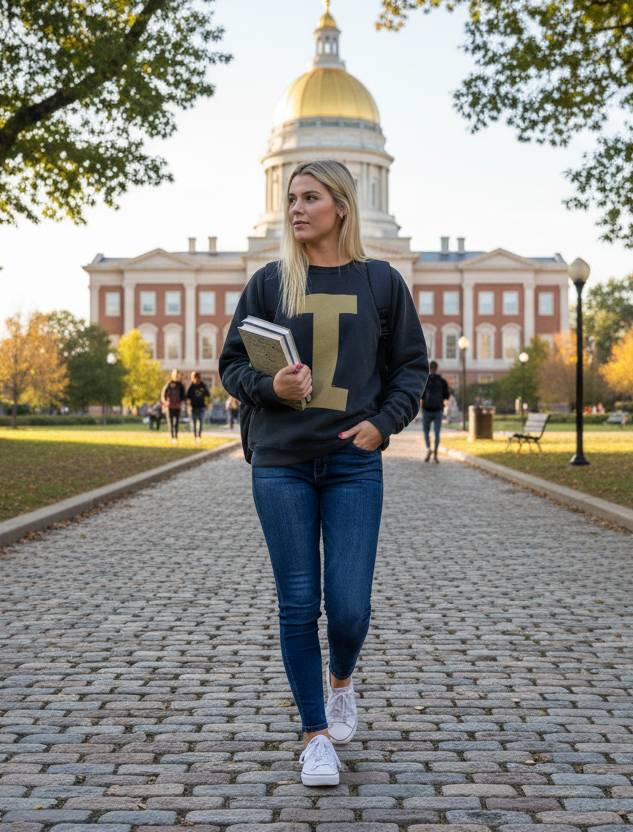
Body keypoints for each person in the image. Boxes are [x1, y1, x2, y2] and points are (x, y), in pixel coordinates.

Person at [219, 160, 428, 788]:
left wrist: (384, 424)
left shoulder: (382, 281)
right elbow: (232, 365)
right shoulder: (269, 283)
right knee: (297, 603)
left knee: (349, 608)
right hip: (281, 461)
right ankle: (315, 736)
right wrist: (270, 387)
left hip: (352, 462)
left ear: (341, 205)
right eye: (291, 198)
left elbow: (411, 367)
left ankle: (341, 680)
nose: (296, 209)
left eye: (310, 197)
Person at [421, 360, 449, 463]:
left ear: (429, 368)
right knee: (437, 432)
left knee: (426, 431)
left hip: (427, 409)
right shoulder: (442, 381)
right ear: (437, 368)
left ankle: (429, 449)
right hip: (438, 409)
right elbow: (446, 396)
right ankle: (436, 454)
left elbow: (421, 395)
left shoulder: (425, 381)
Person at [161, 369, 186, 444]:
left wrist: (183, 403)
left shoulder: (180, 385)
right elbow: (164, 395)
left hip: (177, 407)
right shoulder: (169, 384)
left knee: (176, 423)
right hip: (170, 406)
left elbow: (183, 396)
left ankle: (176, 437)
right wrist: (165, 402)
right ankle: (172, 437)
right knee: (171, 423)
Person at [187, 371, 210, 444]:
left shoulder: (203, 385)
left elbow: (208, 394)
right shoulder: (191, 386)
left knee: (200, 422)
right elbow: (187, 396)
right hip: (193, 407)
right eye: (195, 378)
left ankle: (199, 437)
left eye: (197, 378)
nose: (196, 380)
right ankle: (194, 437)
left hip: (201, 407)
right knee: (193, 423)